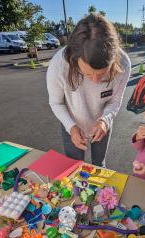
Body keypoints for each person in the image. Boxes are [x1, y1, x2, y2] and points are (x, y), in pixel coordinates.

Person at [47, 14, 131, 167]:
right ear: (74, 58)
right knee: (73, 167)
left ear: (114, 61)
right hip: (71, 122)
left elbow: (115, 101)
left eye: (102, 74)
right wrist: (71, 127)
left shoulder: (124, 64)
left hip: (102, 124)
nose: (95, 80)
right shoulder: (59, 64)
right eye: (87, 74)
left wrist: (105, 121)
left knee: (99, 165)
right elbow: (56, 102)